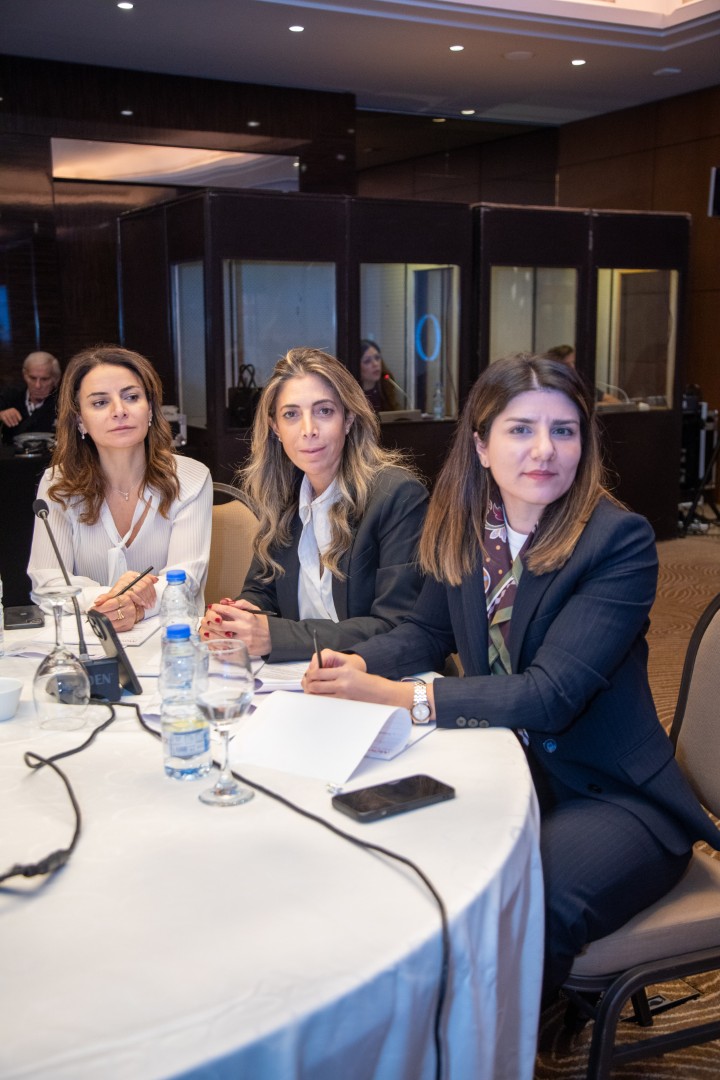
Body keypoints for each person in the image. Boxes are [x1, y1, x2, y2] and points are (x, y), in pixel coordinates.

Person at [303, 352, 720, 1002]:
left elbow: (549, 697)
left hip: (608, 794)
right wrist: (362, 663)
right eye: (521, 429)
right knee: (396, 860)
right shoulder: (468, 528)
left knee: (520, 901)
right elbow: (427, 633)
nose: (544, 449)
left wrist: (402, 697)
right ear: (481, 445)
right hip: (506, 769)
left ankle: (504, 1039)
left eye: (564, 430)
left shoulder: (617, 542)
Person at [200, 347, 428, 661]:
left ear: (348, 418)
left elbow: (398, 627)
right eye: (291, 415)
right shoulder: (284, 495)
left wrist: (274, 637)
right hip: (300, 675)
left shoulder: (397, 496)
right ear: (275, 427)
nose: (308, 430)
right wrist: (243, 615)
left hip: (382, 676)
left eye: (324, 411)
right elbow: (262, 588)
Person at [28, 345, 212, 631]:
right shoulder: (58, 484)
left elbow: (184, 582)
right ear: (79, 419)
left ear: (150, 409)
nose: (119, 411)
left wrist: (134, 610)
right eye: (100, 402)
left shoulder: (191, 478)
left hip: (171, 641)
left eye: (131, 397)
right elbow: (48, 582)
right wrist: (109, 600)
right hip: (90, 640)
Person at [0, 351, 62, 444]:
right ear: (25, 375)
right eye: (32, 378)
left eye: (44, 379)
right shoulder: (10, 396)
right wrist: (1, 414)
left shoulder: (64, 403)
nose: (38, 385)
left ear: (56, 379)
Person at [359, 339, 400, 412]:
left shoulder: (386, 386)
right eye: (367, 361)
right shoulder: (351, 396)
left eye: (377, 358)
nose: (375, 364)